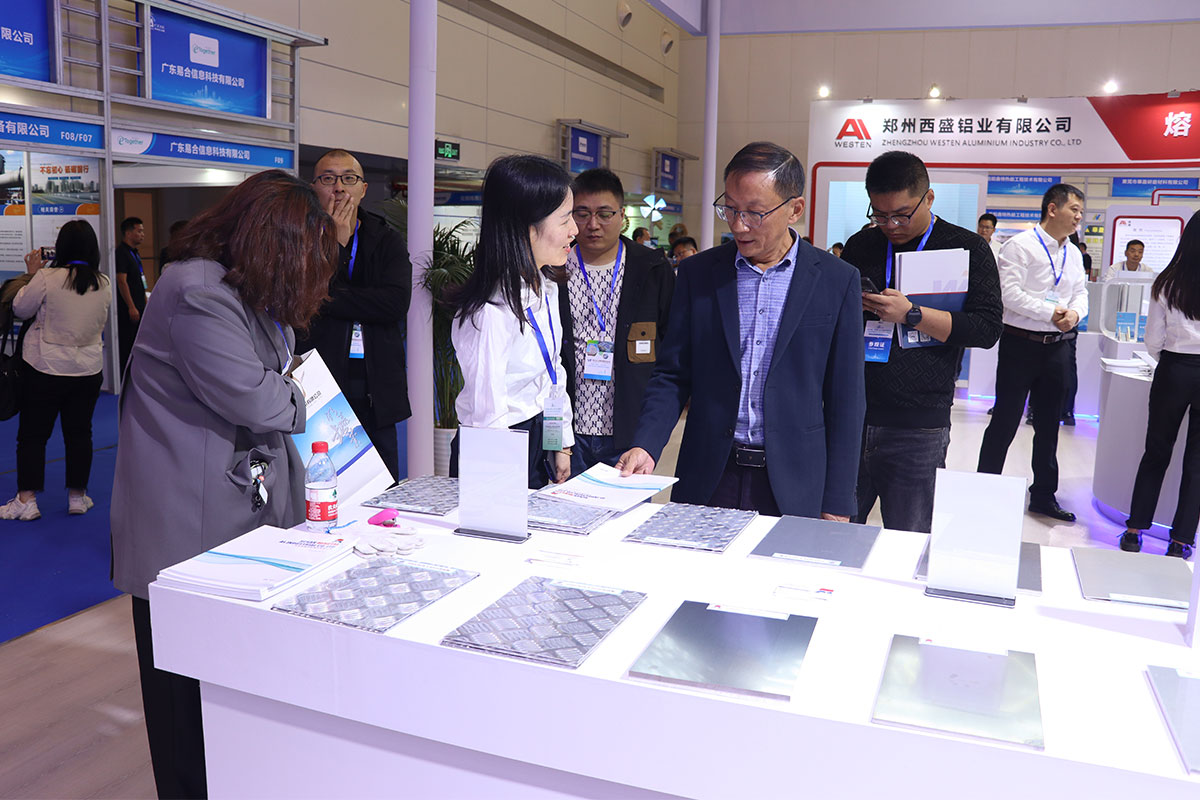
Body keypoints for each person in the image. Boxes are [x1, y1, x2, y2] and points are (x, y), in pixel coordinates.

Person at [111, 170, 337, 800]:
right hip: (186, 524)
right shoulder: (199, 291)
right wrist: (298, 394)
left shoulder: (238, 285)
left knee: (225, 700)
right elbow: (256, 397)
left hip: (225, 509)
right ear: (269, 241)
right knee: (184, 711)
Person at [617, 141, 865, 519]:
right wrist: (646, 445)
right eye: (730, 208)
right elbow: (672, 373)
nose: (738, 225)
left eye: (754, 212)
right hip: (710, 473)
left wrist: (837, 501)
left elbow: (846, 400)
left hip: (795, 480)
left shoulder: (836, 280)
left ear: (795, 209)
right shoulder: (700, 274)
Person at [841, 151, 1002, 533]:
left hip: (918, 425)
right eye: (880, 215)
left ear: (928, 198)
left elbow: (986, 328)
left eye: (901, 215)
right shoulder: (861, 245)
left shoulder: (966, 248)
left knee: (910, 540)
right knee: (837, 535)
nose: (891, 225)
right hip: (852, 416)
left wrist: (912, 313)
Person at [448, 154, 577, 489]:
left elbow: (552, 373)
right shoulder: (490, 311)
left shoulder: (546, 288)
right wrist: (498, 487)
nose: (575, 231)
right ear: (527, 229)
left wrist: (560, 441)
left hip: (537, 433)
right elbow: (487, 415)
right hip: (498, 446)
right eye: (565, 220)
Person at [295, 149, 412, 480]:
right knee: (320, 478)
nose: (339, 187)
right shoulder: (298, 239)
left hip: (376, 380)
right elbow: (301, 299)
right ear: (313, 188)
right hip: (319, 376)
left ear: (363, 189)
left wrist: (327, 298)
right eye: (328, 179)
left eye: (349, 178)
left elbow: (394, 304)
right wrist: (337, 245)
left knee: (382, 481)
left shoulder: (386, 240)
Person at [977, 183, 1088, 522]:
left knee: (1050, 426)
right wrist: (1050, 312)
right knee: (1005, 421)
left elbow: (1081, 292)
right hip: (1020, 345)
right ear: (1052, 209)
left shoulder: (1073, 253)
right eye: (1074, 210)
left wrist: (1075, 314)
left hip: (1057, 347)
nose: (1079, 217)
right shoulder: (1020, 246)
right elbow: (1008, 295)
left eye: (1081, 212)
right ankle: (983, 492)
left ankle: (1043, 496)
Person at [559, 168, 674, 476]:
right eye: (582, 214)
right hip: (567, 434)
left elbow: (670, 353)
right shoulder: (555, 266)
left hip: (629, 432)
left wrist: (649, 437)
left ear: (622, 216)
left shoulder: (651, 269)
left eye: (604, 214)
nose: (593, 224)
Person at [0, 222, 111, 521]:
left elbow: (21, 308)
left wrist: (32, 273)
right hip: (87, 370)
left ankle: (27, 500)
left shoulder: (47, 278)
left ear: (60, 248)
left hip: (45, 369)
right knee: (80, 434)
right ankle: (77, 496)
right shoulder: (103, 282)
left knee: (33, 436)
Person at [1122, 210, 1200, 559]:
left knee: (1156, 451)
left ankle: (1135, 530)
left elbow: (1152, 340)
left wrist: (1170, 358)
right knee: (1197, 461)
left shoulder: (1167, 282)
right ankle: (1181, 540)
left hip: (1174, 368)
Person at [115, 215, 147, 378]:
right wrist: (131, 306)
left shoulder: (134, 253)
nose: (142, 234)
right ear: (128, 233)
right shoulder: (121, 253)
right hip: (129, 309)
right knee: (127, 344)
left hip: (139, 304)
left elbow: (139, 278)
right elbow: (121, 281)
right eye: (139, 231)